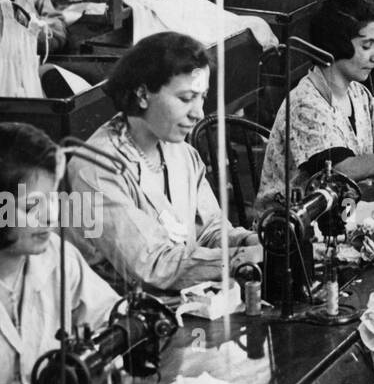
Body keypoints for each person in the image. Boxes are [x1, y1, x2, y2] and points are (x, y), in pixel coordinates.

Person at [65, 33, 262, 292]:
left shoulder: (182, 153)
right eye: (185, 98)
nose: (199, 113)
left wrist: (251, 240)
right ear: (143, 94)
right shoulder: (95, 169)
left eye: (202, 97)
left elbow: (210, 231)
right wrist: (241, 259)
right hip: (119, 316)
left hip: (178, 301)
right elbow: (153, 265)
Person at [257, 0, 374, 215]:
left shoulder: (357, 93)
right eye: (367, 46)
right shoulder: (305, 103)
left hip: (340, 212)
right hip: (290, 230)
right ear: (336, 45)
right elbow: (341, 169)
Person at [0, 123, 119, 384]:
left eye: (53, 198)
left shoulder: (56, 254)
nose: (51, 215)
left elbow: (108, 316)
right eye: (31, 206)